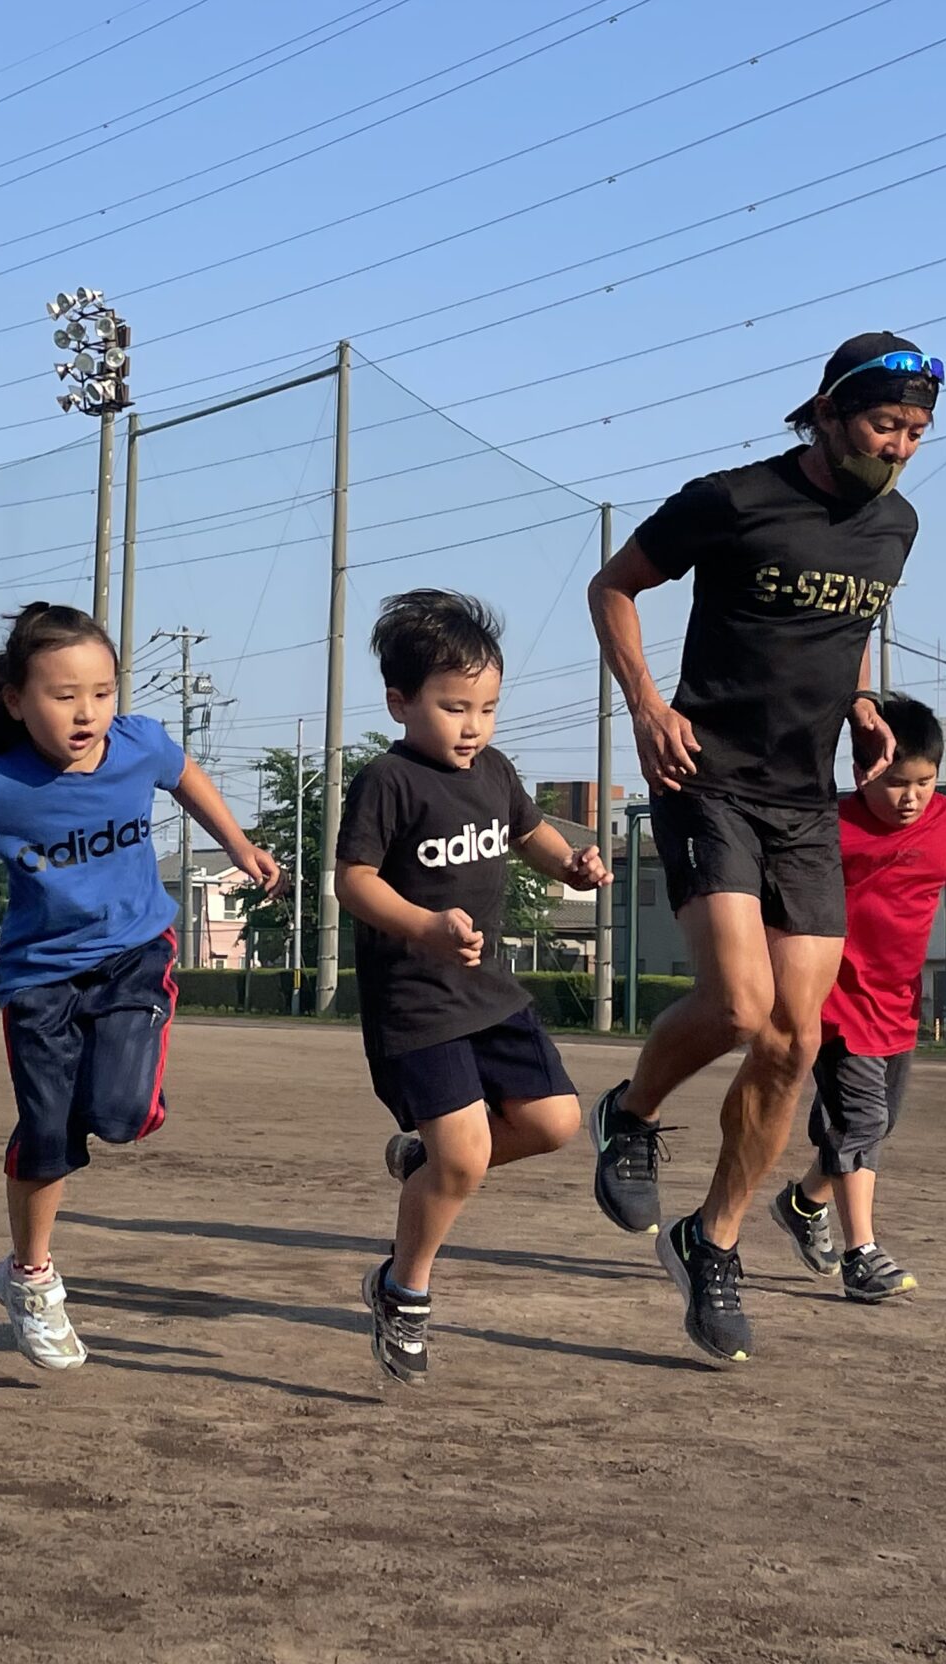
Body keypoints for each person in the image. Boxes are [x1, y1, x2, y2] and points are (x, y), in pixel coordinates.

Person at [584, 330, 939, 1362]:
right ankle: (632, 1111)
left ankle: (714, 1240)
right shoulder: (730, 500)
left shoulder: (895, 526)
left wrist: (863, 698)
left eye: (916, 431)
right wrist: (646, 706)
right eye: (884, 424)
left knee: (795, 1039)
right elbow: (614, 586)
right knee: (739, 1007)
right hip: (706, 777)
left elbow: (849, 618)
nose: (900, 447)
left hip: (804, 801)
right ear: (826, 413)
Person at [0, 603, 278, 1373]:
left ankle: (87, 1135)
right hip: (39, 981)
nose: (87, 711)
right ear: (16, 700)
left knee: (124, 1116)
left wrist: (239, 843)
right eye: (64, 695)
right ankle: (29, 1278)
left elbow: (183, 774)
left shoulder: (138, 744)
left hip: (134, 956)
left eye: (102, 691)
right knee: (49, 1133)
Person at [336, 591, 611, 1385]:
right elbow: (353, 881)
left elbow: (528, 833)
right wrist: (420, 926)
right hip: (418, 1007)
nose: (473, 726)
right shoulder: (388, 780)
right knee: (463, 1161)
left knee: (557, 1122)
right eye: (454, 707)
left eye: (487, 708)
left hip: (492, 997)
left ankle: (427, 1159)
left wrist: (571, 864)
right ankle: (402, 1289)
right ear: (400, 701)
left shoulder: (494, 771)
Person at [764, 694, 946, 1303]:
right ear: (865, 769)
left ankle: (803, 1203)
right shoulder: (830, 826)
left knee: (873, 1124)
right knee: (861, 1121)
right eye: (895, 782)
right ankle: (862, 1254)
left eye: (924, 781)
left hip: (898, 1004)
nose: (911, 796)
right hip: (837, 1002)